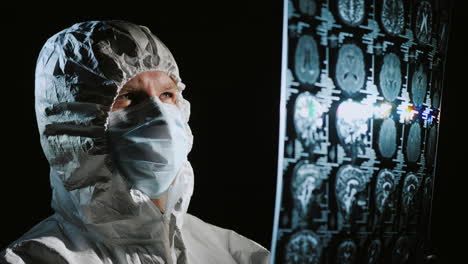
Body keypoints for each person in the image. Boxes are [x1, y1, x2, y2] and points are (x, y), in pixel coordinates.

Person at [0, 20, 270, 264]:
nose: (160, 116)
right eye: (129, 97)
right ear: (73, 125)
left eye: (167, 95)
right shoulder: (40, 257)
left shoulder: (235, 253)